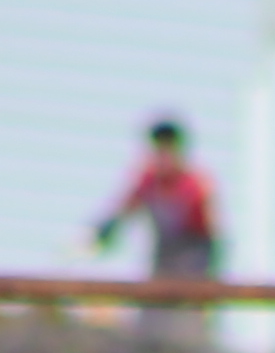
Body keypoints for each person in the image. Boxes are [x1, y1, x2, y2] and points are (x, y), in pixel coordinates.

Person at [90, 117, 222, 280]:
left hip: (193, 263)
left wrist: (209, 281)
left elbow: (214, 235)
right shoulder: (149, 181)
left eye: (169, 149)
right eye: (160, 149)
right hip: (163, 263)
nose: (164, 156)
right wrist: (102, 233)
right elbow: (124, 211)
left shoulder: (195, 184)